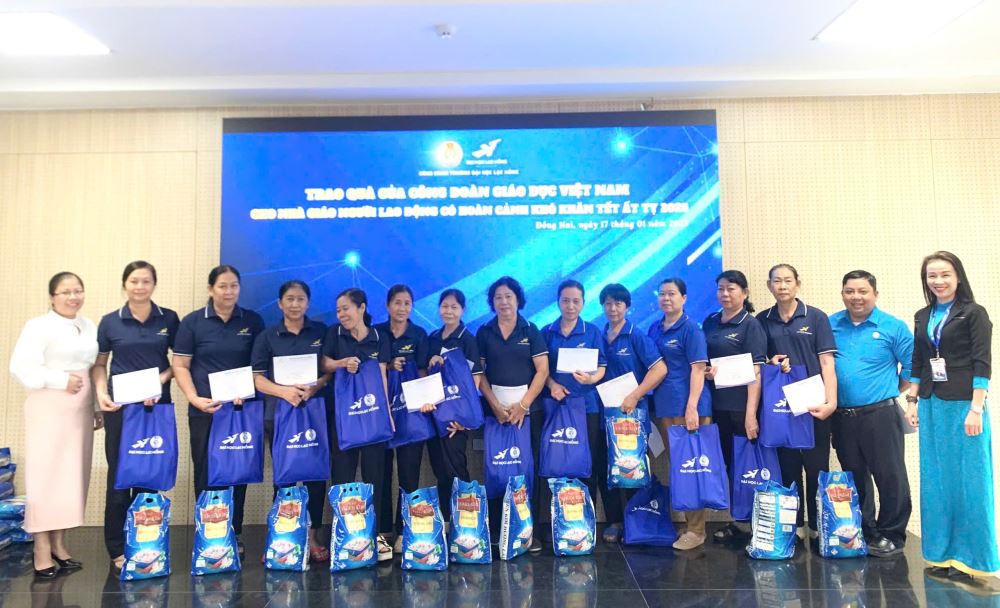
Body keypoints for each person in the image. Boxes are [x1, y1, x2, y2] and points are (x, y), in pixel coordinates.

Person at [905, 251, 998, 579]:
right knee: (937, 481)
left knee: (970, 481)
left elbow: (982, 363)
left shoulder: (974, 313)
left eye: (945, 274)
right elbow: (918, 361)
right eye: (932, 275)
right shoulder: (922, 315)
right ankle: (942, 555)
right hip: (932, 405)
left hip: (964, 406)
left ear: (958, 276)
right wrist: (912, 401)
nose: (938, 281)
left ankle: (971, 560)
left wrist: (976, 408)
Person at [91, 261, 180, 573]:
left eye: (146, 281)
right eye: (134, 281)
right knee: (120, 477)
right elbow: (99, 365)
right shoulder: (110, 322)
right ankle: (116, 547)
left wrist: (160, 382)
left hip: (156, 407)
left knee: (149, 475)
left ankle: (145, 543)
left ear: (154, 284)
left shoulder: (169, 318)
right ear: (124, 284)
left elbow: (180, 362)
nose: (140, 287)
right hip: (120, 410)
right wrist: (101, 395)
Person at [10, 272, 99, 578]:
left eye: (78, 290)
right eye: (65, 292)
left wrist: (95, 406)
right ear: (52, 297)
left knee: (70, 477)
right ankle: (41, 548)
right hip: (49, 405)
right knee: (46, 477)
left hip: (80, 409)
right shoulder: (38, 326)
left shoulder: (88, 324)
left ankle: (59, 545)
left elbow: (92, 368)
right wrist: (60, 380)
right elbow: (20, 367)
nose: (73, 297)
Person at [172, 265, 265, 558]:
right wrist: (194, 398)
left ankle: (234, 531)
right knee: (205, 471)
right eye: (223, 286)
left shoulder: (252, 321)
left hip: (240, 409)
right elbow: (180, 365)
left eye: (234, 285)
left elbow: (258, 365)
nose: (229, 291)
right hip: (205, 410)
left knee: (238, 471)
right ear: (211, 289)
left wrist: (245, 393)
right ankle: (209, 532)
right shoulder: (192, 322)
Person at [830, 270, 914, 558]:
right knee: (854, 477)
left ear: (875, 294)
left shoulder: (893, 326)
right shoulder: (830, 325)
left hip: (881, 415)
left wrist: (888, 390)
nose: (856, 297)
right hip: (842, 416)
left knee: (890, 476)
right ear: (843, 294)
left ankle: (892, 534)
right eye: (850, 291)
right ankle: (865, 531)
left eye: (862, 291)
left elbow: (912, 369)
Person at [251, 279, 332, 562]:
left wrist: (316, 386)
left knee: (315, 476)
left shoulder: (321, 332)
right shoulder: (267, 336)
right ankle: (282, 536)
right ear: (280, 303)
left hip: (314, 413)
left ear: (307, 303)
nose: (295, 304)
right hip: (279, 414)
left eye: (300, 299)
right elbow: (257, 378)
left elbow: (329, 370)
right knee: (284, 477)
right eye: (290, 299)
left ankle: (313, 536)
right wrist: (284, 392)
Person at [757, 264, 837, 545]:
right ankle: (793, 527)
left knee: (816, 467)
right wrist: (772, 362)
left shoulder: (816, 317)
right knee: (787, 468)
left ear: (797, 284)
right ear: (769, 286)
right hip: (781, 405)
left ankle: (817, 526)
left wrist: (831, 401)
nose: (782, 286)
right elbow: (760, 363)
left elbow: (827, 363)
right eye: (776, 281)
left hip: (814, 402)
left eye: (787, 280)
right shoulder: (762, 320)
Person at [321, 287, 394, 562]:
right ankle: (343, 534)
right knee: (342, 476)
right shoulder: (334, 334)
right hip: (344, 417)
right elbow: (324, 364)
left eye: (346, 308)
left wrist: (387, 415)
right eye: (338, 310)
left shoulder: (379, 336)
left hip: (373, 415)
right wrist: (342, 363)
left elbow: (383, 375)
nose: (341, 314)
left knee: (375, 477)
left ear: (361, 308)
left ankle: (374, 535)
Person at [477, 276, 548, 552]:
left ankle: (529, 532)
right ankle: (498, 529)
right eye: (498, 297)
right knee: (496, 471)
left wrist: (523, 405)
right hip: (495, 413)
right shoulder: (485, 332)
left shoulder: (530, 330)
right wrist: (495, 405)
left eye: (509, 296)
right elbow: (479, 374)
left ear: (518, 299)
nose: (504, 302)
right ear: (492, 302)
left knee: (528, 470)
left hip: (528, 413)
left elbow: (542, 371)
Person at [647, 277, 713, 550]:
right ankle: (688, 524)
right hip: (665, 406)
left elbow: (698, 369)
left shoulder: (691, 329)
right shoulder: (655, 328)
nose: (666, 298)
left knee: (692, 468)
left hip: (690, 408)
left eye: (672, 294)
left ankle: (697, 531)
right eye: (662, 294)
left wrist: (692, 407)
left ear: (683, 298)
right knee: (678, 466)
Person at [598, 283, 666, 543]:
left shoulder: (636, 335)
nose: (613, 308)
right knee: (607, 468)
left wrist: (635, 395)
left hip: (632, 415)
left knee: (633, 469)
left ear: (627, 306)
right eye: (608, 303)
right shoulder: (599, 336)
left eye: (618, 303)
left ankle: (636, 522)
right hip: (605, 415)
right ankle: (615, 521)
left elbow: (659, 369)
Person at [702, 270, 767, 543]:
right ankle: (738, 521)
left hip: (742, 408)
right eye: (721, 288)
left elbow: (756, 372)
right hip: (717, 407)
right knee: (729, 464)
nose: (725, 294)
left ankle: (757, 523)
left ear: (744, 292)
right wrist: (706, 371)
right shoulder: (710, 321)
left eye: (731, 288)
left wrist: (751, 414)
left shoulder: (750, 325)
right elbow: (703, 360)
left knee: (749, 467)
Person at [542, 280, 608, 537]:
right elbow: (540, 369)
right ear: (558, 302)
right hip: (555, 406)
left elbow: (602, 366)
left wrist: (591, 379)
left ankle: (585, 524)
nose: (570, 306)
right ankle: (558, 523)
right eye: (565, 300)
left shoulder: (591, 331)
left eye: (576, 301)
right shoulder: (547, 332)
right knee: (555, 463)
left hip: (586, 407)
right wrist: (552, 385)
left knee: (585, 464)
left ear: (583, 303)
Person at [373, 284, 430, 552]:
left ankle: (404, 529)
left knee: (409, 473)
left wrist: (426, 400)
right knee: (381, 473)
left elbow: (423, 372)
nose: (402, 308)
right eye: (397, 302)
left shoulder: (419, 334)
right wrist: (388, 365)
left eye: (407, 303)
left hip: (411, 413)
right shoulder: (377, 333)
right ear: (387, 305)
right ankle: (383, 529)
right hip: (381, 413)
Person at [424, 288, 482, 534]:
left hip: (456, 419)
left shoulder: (467, 339)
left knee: (457, 467)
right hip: (435, 415)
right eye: (445, 306)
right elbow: (425, 375)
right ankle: (447, 520)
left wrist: (464, 419)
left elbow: (475, 379)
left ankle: (466, 522)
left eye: (454, 307)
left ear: (462, 310)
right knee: (440, 469)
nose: (449, 311)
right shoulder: (432, 338)